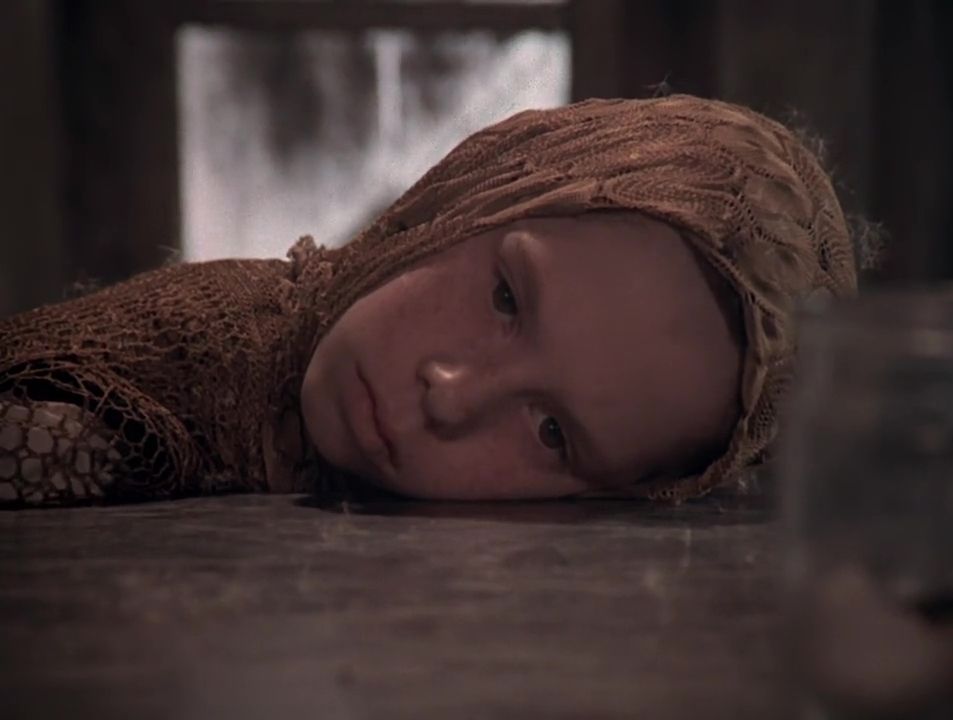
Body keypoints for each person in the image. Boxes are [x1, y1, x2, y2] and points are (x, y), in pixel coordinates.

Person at [0, 94, 857, 507]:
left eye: (552, 433)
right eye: (505, 297)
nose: (451, 392)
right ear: (466, 201)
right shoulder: (196, 357)